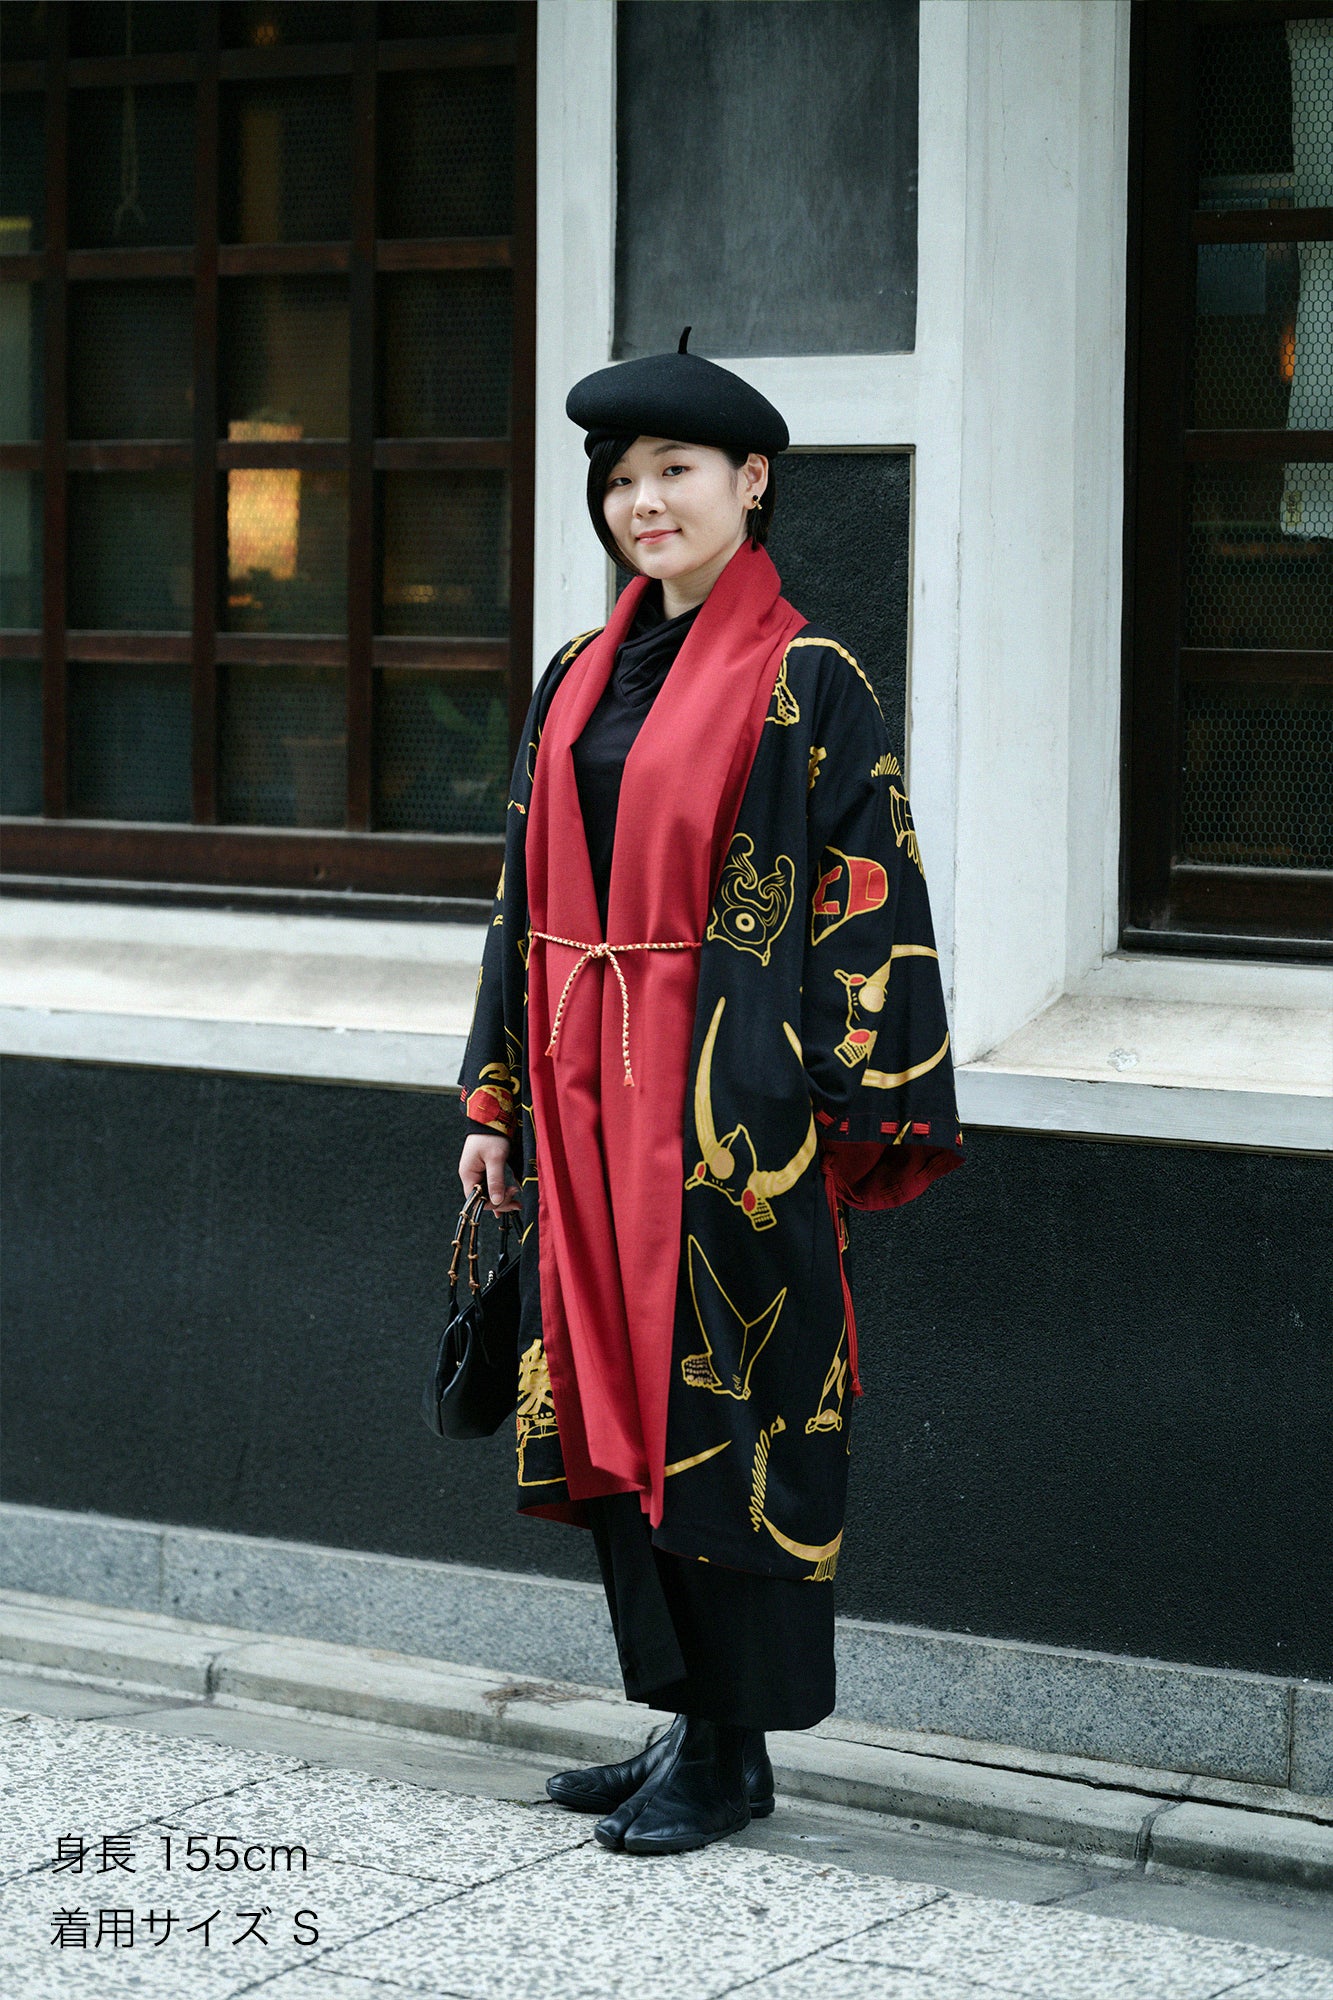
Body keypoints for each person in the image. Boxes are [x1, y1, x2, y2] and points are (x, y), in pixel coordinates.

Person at [457, 329, 962, 1857]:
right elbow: (518, 896)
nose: (644, 503)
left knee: (726, 1405)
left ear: (750, 482)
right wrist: (492, 1103)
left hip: (723, 1120)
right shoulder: (575, 673)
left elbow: (865, 899)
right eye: (620, 480)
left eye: (674, 471)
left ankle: (733, 1752)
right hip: (580, 1102)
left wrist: (825, 1102)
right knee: (604, 1396)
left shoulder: (809, 680)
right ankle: (680, 1714)